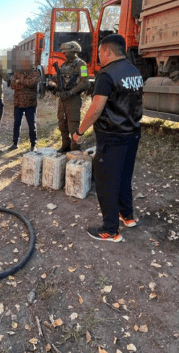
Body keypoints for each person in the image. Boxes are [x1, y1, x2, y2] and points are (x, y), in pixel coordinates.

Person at [72, 34, 143, 242]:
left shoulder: (107, 74)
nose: (99, 57)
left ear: (108, 52)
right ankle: (127, 216)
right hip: (132, 134)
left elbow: (95, 109)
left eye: (100, 52)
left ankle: (110, 230)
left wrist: (79, 132)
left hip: (112, 137)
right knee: (124, 177)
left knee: (106, 182)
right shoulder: (134, 71)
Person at [55, 41, 90, 152]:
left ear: (74, 52)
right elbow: (59, 78)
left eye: (66, 52)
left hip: (73, 98)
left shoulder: (82, 64)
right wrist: (54, 84)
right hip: (63, 98)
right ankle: (65, 145)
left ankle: (75, 148)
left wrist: (71, 92)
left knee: (73, 125)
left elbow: (85, 82)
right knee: (62, 123)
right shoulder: (64, 65)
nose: (64, 54)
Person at [8, 50, 40, 151]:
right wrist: (22, 83)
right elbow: (12, 85)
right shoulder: (18, 72)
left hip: (30, 103)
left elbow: (31, 83)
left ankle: (33, 145)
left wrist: (20, 81)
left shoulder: (35, 72)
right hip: (18, 103)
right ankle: (15, 143)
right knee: (16, 123)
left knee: (32, 124)